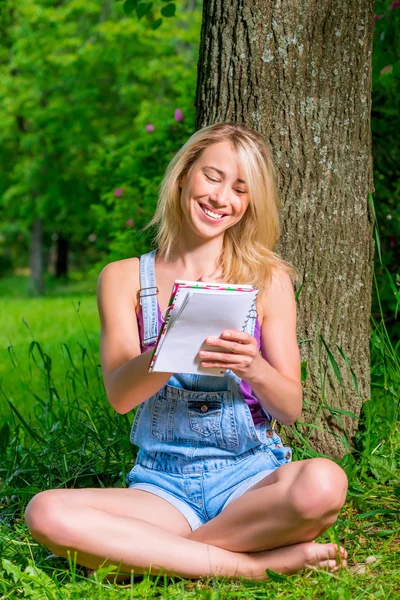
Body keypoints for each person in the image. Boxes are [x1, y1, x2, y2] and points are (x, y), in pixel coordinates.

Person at [25, 122, 348, 581]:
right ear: (183, 176)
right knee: (46, 512)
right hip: (162, 487)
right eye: (212, 177)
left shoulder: (269, 279)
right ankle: (254, 568)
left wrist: (253, 365)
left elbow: (290, 408)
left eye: (240, 189)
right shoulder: (122, 279)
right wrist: (170, 346)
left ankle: (151, 557)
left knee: (324, 482)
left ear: (250, 202)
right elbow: (120, 396)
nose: (221, 198)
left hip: (248, 478)